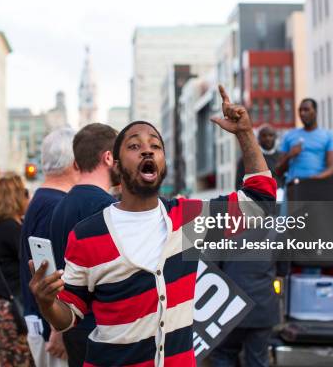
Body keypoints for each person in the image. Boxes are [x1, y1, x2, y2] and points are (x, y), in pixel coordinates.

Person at [29, 85, 276, 366]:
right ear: (117, 166)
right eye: (134, 145)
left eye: (155, 146)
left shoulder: (188, 219)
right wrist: (47, 302)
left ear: (163, 164)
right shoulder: (87, 235)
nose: (147, 150)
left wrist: (245, 133)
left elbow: (260, 201)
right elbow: (69, 315)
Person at [49, 123, 119, 366]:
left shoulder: (60, 207)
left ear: (77, 164)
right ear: (109, 158)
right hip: (103, 327)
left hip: (73, 326)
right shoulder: (109, 209)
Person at [20, 128, 79, 367]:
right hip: (53, 330)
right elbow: (50, 272)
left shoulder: (41, 199)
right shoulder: (57, 205)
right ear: (74, 163)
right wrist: (58, 330)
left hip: (44, 323)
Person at [0, 173, 33, 367]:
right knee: (17, 359)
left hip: (2, 299)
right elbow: (29, 260)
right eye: (25, 192)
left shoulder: (5, 226)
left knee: (13, 358)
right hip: (7, 303)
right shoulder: (10, 227)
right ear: (15, 196)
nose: (28, 197)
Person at [276, 98, 333, 184]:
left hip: (318, 186)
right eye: (300, 110)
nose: (302, 113)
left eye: (306, 110)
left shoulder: (329, 135)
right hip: (294, 187)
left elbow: (332, 169)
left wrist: (314, 179)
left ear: (315, 111)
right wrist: (289, 155)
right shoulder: (289, 135)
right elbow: (278, 171)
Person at [235, 124, 284, 193]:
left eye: (271, 135)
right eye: (264, 136)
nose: (268, 138)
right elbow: (239, 183)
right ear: (258, 138)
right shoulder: (247, 158)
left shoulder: (282, 157)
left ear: (275, 137)